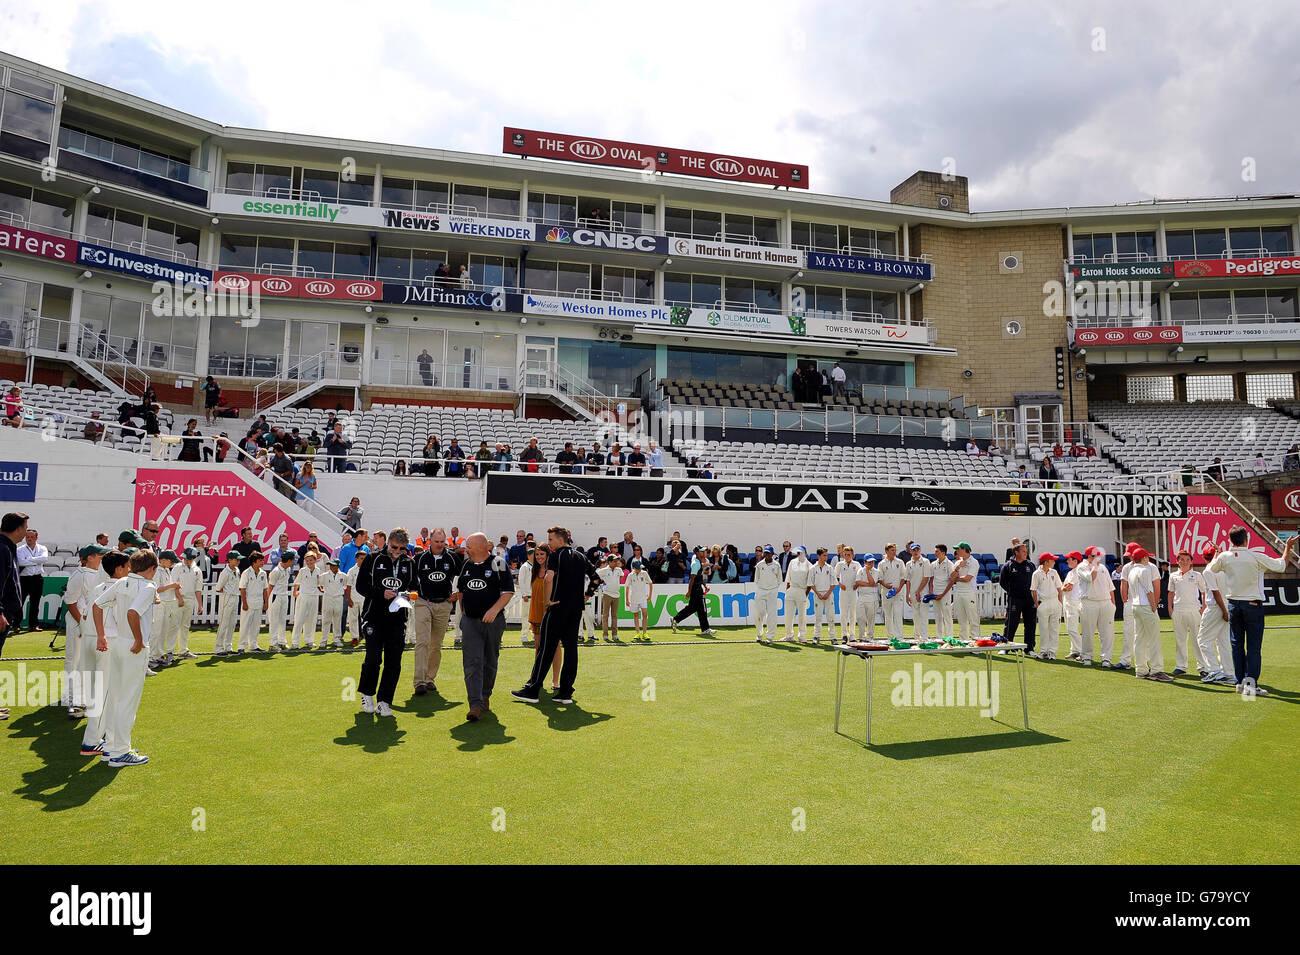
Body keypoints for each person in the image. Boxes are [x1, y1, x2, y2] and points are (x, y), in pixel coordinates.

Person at [512, 526, 601, 705]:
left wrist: (547, 601)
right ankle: (565, 692)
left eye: (550, 539)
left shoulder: (555, 556)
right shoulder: (581, 557)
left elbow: (548, 578)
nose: (549, 543)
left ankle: (533, 690)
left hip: (557, 608)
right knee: (571, 649)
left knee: (545, 648)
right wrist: (587, 594)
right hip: (575, 610)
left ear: (561, 539)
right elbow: (596, 579)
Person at [1206, 526, 1295, 695]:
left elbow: (1212, 569)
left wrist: (1218, 553)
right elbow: (1281, 565)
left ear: (1231, 540)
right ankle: (1250, 685)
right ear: (1246, 539)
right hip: (1252, 605)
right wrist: (1288, 547)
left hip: (1233, 604)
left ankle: (1240, 683)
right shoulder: (1255, 556)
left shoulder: (1225, 557)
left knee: (1237, 645)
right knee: (1253, 647)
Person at [92, 549, 159, 767]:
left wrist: (102, 635)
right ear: (151, 569)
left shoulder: (121, 583)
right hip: (132, 646)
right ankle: (120, 751)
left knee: (116, 697)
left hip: (118, 643)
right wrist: (139, 640)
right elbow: (133, 613)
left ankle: (111, 747)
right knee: (128, 700)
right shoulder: (148, 586)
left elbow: (97, 605)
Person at [450, 532, 514, 722]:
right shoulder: (467, 565)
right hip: (471, 622)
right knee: (472, 662)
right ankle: (475, 704)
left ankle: (485, 695)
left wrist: (494, 610)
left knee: (490, 661)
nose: (466, 549)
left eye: (468, 546)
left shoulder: (499, 563)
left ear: (480, 546)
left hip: (493, 623)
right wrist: (464, 612)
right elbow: (461, 590)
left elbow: (509, 591)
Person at [356, 527, 417, 717]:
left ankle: (384, 701)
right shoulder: (373, 559)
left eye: (401, 548)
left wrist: (408, 595)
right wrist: (380, 593)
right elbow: (360, 586)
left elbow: (414, 586)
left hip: (397, 618)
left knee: (394, 662)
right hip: (374, 616)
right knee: (373, 659)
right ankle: (367, 694)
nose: (397, 552)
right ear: (388, 542)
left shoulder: (409, 562)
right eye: (395, 547)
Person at [80, 550, 129, 750]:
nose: (129, 571)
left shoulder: (98, 586)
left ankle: (104, 737)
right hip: (106, 642)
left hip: (91, 640)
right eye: (127, 567)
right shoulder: (121, 588)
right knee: (105, 694)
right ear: (118, 569)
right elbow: (121, 621)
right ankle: (92, 741)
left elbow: (87, 613)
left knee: (96, 692)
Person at [411, 527, 461, 694]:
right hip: (423, 602)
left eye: (442, 542)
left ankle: (430, 678)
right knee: (422, 642)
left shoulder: (452, 558)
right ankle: (419, 682)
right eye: (436, 542)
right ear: (430, 541)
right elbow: (410, 578)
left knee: (436, 645)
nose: (439, 545)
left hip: (444, 604)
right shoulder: (419, 558)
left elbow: (466, 575)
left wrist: (458, 592)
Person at [61, 543, 109, 716]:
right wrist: (81, 623)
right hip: (78, 622)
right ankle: (72, 700)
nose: (102, 558)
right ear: (90, 557)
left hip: (90, 623)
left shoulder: (99, 573)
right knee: (74, 660)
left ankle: (79, 697)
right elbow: (70, 602)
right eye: (100, 555)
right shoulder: (79, 575)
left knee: (87, 662)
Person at [1121, 548, 1170, 682]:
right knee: (1154, 640)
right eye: (1147, 557)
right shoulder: (1144, 570)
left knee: (1140, 639)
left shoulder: (1131, 571)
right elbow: (1149, 591)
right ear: (1144, 558)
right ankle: (1157, 670)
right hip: (1145, 607)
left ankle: (1141, 670)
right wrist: (1154, 607)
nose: (1148, 559)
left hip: (1136, 607)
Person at [1195, 544, 1236, 686]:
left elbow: (1215, 593)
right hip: (1226, 606)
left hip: (1216, 608)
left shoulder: (1208, 570)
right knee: (1223, 641)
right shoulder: (1224, 569)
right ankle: (1229, 674)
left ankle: (1214, 671)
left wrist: (1224, 611)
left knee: (1203, 640)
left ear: (1204, 557)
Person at [1168, 550, 1205, 677]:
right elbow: (1171, 593)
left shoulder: (1197, 575)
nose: (1184, 562)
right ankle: (1181, 667)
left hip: (1194, 610)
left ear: (1191, 562)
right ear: (1177, 562)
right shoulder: (1173, 575)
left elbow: (1204, 592)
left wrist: (1203, 608)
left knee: (1197, 640)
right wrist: (1170, 608)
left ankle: (1203, 667)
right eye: (1181, 560)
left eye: (1187, 560)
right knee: (1180, 640)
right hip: (1178, 610)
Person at [147, 550, 186, 668]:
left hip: (168, 602)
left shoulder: (166, 570)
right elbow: (156, 589)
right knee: (156, 630)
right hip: (160, 603)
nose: (172, 564)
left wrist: (173, 585)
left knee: (163, 631)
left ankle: (158, 655)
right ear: (163, 560)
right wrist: (172, 585)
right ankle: (151, 657)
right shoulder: (157, 571)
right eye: (171, 561)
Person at [998, 541, 1037, 653]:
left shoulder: (1031, 565)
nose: (1026, 553)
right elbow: (1002, 582)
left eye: (1026, 551)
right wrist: (1013, 592)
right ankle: (1005, 647)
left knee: (1030, 624)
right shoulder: (1008, 566)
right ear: (1016, 552)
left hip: (1029, 599)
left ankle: (1029, 648)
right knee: (1011, 623)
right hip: (1015, 599)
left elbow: (1035, 582)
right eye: (1023, 551)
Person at [1077, 546, 1113, 666]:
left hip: (1105, 602)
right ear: (1089, 556)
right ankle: (1087, 656)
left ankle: (1106, 658)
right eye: (1096, 556)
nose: (1099, 558)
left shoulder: (1103, 568)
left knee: (1106, 633)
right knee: (1088, 632)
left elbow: (1110, 587)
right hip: (1089, 602)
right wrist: (1095, 566)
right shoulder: (1081, 567)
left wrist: (1112, 604)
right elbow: (1091, 578)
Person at [670, 547, 715, 635]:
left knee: (692, 608)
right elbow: (692, 579)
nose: (705, 552)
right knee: (702, 609)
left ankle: (675, 619)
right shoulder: (696, 564)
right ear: (698, 553)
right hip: (696, 589)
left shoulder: (699, 563)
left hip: (697, 588)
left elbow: (699, 577)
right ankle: (705, 629)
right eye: (703, 551)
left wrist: (705, 585)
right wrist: (689, 592)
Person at [1030, 552, 1063, 659]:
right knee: (1043, 629)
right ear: (1046, 562)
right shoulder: (1036, 574)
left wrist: (1060, 603)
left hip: (1055, 602)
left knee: (1055, 628)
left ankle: (1052, 651)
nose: (1054, 562)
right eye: (1052, 560)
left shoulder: (1054, 572)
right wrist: (1037, 605)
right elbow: (1033, 590)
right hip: (1043, 603)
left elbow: (1059, 588)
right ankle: (1044, 651)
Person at [16, 527, 48, 632]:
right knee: (20, 602)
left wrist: (28, 560)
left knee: (35, 603)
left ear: (36, 537)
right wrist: (36, 561)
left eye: (31, 537)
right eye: (27, 537)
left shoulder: (42, 548)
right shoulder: (20, 549)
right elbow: (20, 562)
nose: (29, 539)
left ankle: (33, 625)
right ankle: (16, 624)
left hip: (37, 578)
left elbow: (44, 559)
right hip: (24, 578)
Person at [237, 552, 269, 653]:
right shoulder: (246, 573)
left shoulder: (263, 573)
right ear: (254, 562)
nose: (262, 562)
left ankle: (253, 645)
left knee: (256, 625)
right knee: (245, 625)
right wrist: (245, 603)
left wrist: (266, 602)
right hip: (249, 602)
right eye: (260, 560)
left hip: (259, 602)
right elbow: (242, 589)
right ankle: (241, 646)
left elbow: (265, 589)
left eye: (262, 560)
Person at [876, 543, 907, 642]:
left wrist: (899, 589)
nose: (894, 552)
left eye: (895, 550)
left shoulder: (900, 562)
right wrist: (885, 585)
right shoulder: (881, 563)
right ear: (887, 551)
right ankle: (890, 637)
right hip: (886, 593)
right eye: (892, 550)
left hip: (898, 592)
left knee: (898, 614)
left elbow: (904, 577)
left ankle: (899, 637)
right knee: (888, 615)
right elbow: (879, 578)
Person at [949, 543, 980, 641]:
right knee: (961, 619)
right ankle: (964, 641)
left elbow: (968, 578)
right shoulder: (958, 563)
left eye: (958, 549)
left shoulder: (974, 562)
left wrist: (956, 579)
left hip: (969, 592)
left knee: (973, 619)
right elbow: (951, 577)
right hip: (958, 592)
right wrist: (958, 568)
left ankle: (976, 643)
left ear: (964, 549)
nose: (957, 551)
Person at [213, 552, 242, 655]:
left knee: (232, 623)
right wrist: (227, 592)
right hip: (227, 598)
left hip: (235, 597)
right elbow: (218, 588)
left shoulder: (237, 570)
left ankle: (228, 647)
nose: (238, 561)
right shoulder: (225, 572)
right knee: (224, 623)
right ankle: (218, 648)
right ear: (229, 560)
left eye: (239, 559)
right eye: (236, 559)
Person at [782, 546, 812, 642]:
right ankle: (789, 635)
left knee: (802, 615)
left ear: (806, 553)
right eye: (798, 552)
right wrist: (787, 590)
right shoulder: (792, 562)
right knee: (788, 614)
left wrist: (805, 594)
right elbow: (788, 578)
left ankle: (802, 635)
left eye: (801, 552)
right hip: (792, 589)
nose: (800, 554)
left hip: (802, 590)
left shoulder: (809, 565)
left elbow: (810, 582)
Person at [266, 552, 295, 651]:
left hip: (284, 596)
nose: (294, 562)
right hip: (275, 596)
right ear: (289, 560)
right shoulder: (276, 571)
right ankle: (273, 644)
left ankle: (282, 642)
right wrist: (266, 602)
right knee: (274, 620)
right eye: (293, 560)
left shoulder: (288, 569)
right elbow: (270, 587)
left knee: (282, 620)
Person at [809, 548, 836, 644]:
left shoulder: (829, 568)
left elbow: (834, 583)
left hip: (829, 594)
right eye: (824, 555)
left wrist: (828, 593)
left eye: (826, 555)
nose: (826, 557)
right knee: (818, 617)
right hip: (818, 594)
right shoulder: (813, 568)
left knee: (831, 616)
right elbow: (811, 583)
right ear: (819, 556)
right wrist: (818, 593)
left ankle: (833, 637)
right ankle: (816, 636)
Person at [905, 542, 932, 641]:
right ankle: (917, 637)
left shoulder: (925, 561)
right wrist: (908, 594)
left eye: (917, 549)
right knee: (915, 616)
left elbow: (926, 578)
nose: (916, 551)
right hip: (912, 593)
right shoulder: (908, 564)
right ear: (910, 551)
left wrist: (919, 591)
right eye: (914, 550)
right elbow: (907, 580)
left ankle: (924, 637)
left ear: (920, 550)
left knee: (924, 615)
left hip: (923, 592)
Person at [1061, 551, 1085, 660]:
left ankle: (1082, 652)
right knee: (1069, 627)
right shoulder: (1071, 572)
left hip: (1073, 602)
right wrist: (1063, 587)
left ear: (1075, 561)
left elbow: (1068, 587)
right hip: (1068, 601)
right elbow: (1065, 586)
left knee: (1072, 628)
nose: (1067, 561)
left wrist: (1062, 588)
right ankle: (1074, 650)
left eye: (1069, 559)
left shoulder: (1077, 571)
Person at [319, 557, 347, 648]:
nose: (331, 567)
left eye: (333, 565)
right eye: (330, 565)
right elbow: (318, 584)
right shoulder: (324, 575)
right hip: (328, 598)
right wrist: (322, 590)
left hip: (338, 598)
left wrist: (342, 592)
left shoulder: (343, 575)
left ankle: (337, 639)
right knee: (326, 619)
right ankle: (324, 640)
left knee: (337, 619)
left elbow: (347, 586)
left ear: (338, 566)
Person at [929, 544, 955, 640]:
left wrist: (943, 594)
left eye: (937, 551)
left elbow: (951, 581)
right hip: (935, 594)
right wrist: (932, 592)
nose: (935, 553)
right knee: (938, 617)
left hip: (945, 594)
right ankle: (939, 637)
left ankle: (949, 638)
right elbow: (931, 579)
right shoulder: (933, 564)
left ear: (943, 553)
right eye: (935, 551)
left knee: (947, 616)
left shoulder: (950, 564)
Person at [625, 557, 653, 640]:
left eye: (640, 568)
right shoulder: (630, 575)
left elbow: (651, 583)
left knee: (645, 614)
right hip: (634, 598)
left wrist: (650, 596)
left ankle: (645, 633)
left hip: (643, 598)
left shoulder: (644, 573)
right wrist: (627, 600)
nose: (640, 569)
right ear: (633, 568)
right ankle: (637, 633)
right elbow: (627, 587)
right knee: (636, 615)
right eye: (638, 568)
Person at [854, 555, 880, 640]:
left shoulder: (876, 571)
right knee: (860, 618)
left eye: (872, 562)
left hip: (872, 597)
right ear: (865, 562)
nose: (871, 564)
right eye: (869, 562)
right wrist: (869, 584)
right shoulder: (860, 571)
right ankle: (861, 637)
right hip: (861, 596)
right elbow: (858, 582)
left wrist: (868, 572)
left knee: (871, 619)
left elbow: (873, 582)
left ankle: (869, 637)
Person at [597, 553, 621, 641]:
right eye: (614, 561)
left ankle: (615, 634)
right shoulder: (604, 570)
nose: (616, 562)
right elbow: (595, 575)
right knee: (605, 615)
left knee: (614, 616)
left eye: (617, 561)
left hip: (616, 595)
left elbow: (621, 576)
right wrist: (602, 581)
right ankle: (605, 634)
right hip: (607, 594)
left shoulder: (618, 570)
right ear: (609, 562)